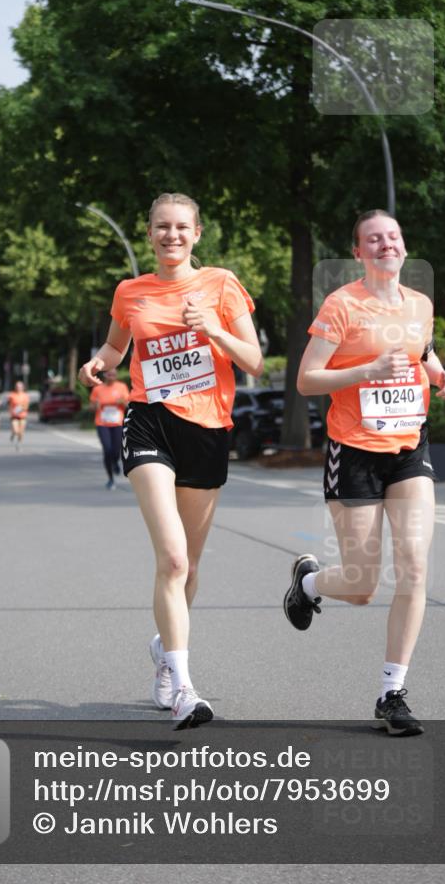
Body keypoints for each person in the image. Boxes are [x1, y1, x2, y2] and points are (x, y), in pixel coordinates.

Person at [79, 192, 263, 729]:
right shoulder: (130, 291)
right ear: (149, 232)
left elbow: (252, 361)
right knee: (174, 559)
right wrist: (99, 362)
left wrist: (213, 329)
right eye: (162, 226)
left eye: (182, 227)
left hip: (207, 430)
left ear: (197, 233)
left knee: (192, 567)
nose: (171, 235)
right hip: (150, 422)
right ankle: (184, 687)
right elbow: (116, 349)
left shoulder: (221, 285)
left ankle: (164, 647)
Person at [284, 209, 445, 735]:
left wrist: (441, 378)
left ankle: (392, 692)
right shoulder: (342, 306)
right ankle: (310, 582)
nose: (387, 245)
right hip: (354, 450)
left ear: (404, 248)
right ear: (359, 252)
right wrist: (365, 370)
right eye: (374, 239)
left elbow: (421, 351)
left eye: (394, 237)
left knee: (414, 567)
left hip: (409, 447)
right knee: (362, 585)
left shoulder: (420, 305)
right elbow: (307, 380)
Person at [90, 369, 130, 489]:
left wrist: (122, 402)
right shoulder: (98, 389)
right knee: (107, 449)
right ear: (105, 375)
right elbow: (91, 407)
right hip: (102, 423)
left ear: (116, 376)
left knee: (117, 449)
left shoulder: (121, 387)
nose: (111, 376)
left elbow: (128, 404)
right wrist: (95, 406)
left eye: (113, 375)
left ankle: (115, 462)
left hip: (117, 423)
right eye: (109, 374)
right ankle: (110, 478)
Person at [8, 381, 29, 449]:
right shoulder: (12, 395)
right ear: (15, 387)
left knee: (21, 432)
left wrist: (20, 408)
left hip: (22, 415)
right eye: (17, 387)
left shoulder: (25, 395)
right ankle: (13, 434)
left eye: (20, 387)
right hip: (14, 416)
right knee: (16, 430)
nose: (18, 388)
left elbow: (26, 406)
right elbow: (10, 405)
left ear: (23, 387)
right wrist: (12, 411)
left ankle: (19, 443)